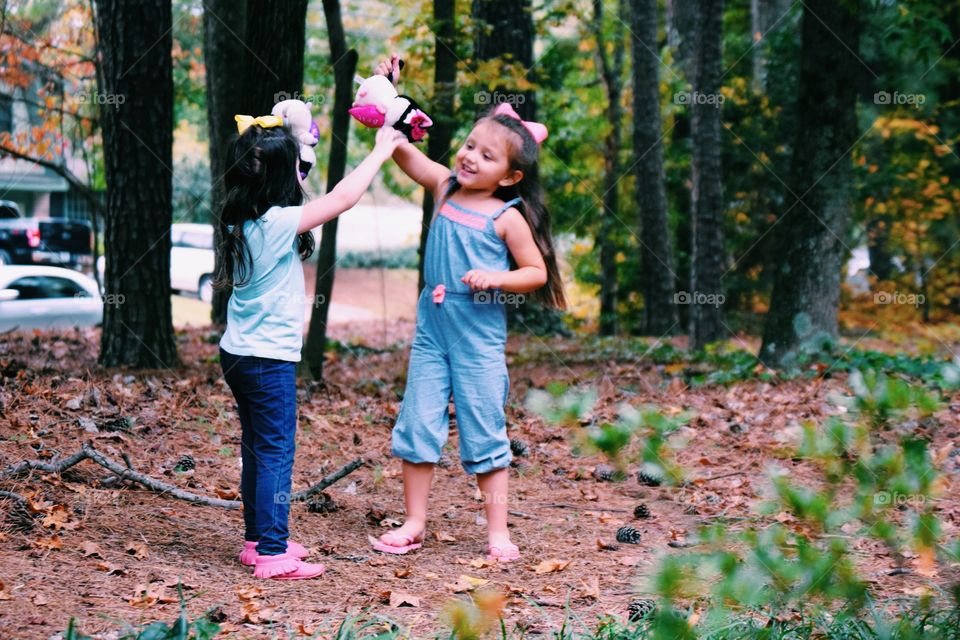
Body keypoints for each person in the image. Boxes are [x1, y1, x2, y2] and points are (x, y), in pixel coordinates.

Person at [370, 55, 566, 562]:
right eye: (469, 145)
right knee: (418, 423)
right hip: (432, 331)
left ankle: (497, 531)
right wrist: (390, 93)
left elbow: (535, 273)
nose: (471, 157)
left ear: (509, 176)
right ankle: (414, 521)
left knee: (484, 428)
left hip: (477, 336)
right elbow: (405, 154)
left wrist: (497, 277)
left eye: (487, 155)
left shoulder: (507, 217)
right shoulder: (445, 188)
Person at [217, 113, 406, 580]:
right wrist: (382, 148)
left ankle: (258, 541)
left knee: (258, 447)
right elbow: (342, 198)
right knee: (277, 450)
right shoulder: (278, 222)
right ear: (284, 177)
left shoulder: (242, 217)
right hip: (266, 358)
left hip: (238, 353)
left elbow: (274, 159)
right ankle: (274, 553)